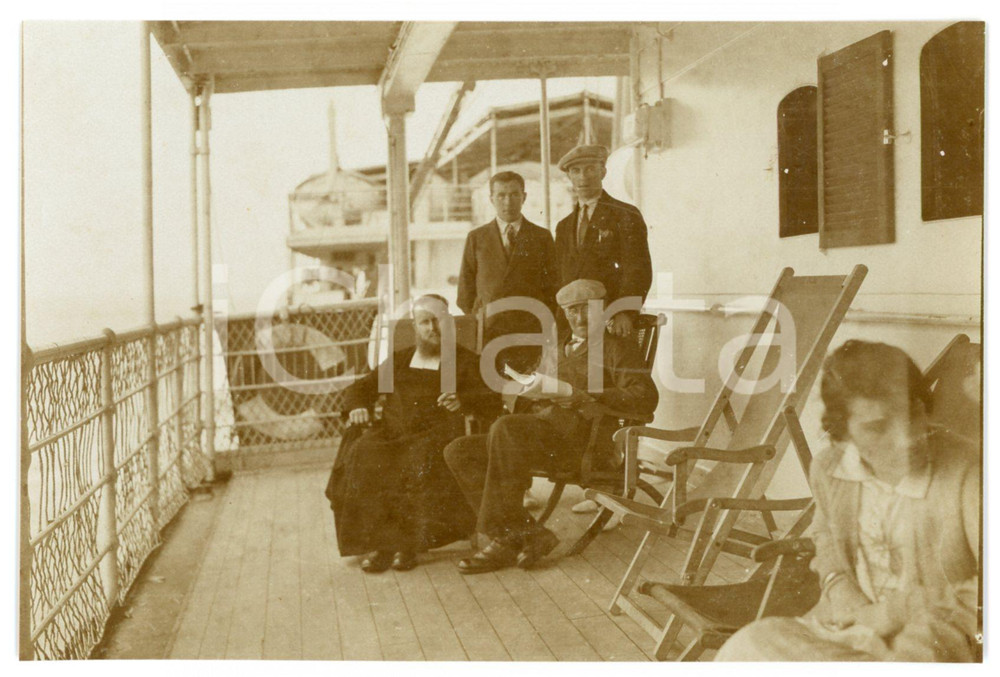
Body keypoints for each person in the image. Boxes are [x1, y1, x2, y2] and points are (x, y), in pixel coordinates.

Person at [715, 340, 980, 662]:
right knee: (749, 644)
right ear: (843, 433)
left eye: (913, 412)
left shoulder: (969, 472)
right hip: (850, 626)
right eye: (877, 427)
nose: (907, 436)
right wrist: (839, 587)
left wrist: (895, 612)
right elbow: (826, 539)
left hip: (936, 639)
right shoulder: (831, 469)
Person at [443, 279, 659, 574]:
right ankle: (527, 535)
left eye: (586, 310)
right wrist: (524, 391)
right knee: (459, 450)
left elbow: (644, 397)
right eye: (572, 311)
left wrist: (585, 395)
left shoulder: (618, 348)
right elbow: (535, 391)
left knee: (506, 430)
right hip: (541, 435)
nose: (579, 318)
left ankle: (503, 539)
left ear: (603, 310)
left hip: (582, 444)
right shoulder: (559, 348)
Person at [324, 295, 499, 573]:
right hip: (392, 431)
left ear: (449, 322)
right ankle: (381, 545)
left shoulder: (466, 361)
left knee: (416, 458)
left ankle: (407, 545)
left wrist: (463, 400)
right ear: (416, 327)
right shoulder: (400, 359)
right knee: (364, 451)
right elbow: (361, 388)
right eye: (425, 322)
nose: (433, 328)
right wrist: (358, 406)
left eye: (438, 320)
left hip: (436, 434)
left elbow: (491, 398)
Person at [457, 170, 558, 374]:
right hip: (489, 333)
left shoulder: (541, 237)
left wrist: (540, 322)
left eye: (514, 194)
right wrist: (481, 321)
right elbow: (465, 291)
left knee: (528, 392)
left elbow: (553, 288)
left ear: (524, 197)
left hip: (530, 331)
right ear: (491, 199)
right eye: (501, 195)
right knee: (491, 390)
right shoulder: (477, 238)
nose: (508, 202)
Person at [554, 144, 652, 339]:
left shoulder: (625, 215)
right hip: (573, 325)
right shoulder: (563, 226)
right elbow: (560, 277)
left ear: (603, 172)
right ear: (569, 177)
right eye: (576, 171)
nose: (583, 177)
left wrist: (624, 311)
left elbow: (638, 269)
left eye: (590, 169)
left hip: (612, 321)